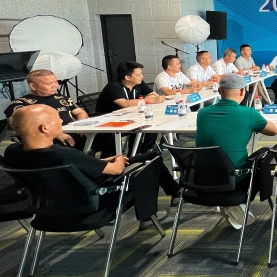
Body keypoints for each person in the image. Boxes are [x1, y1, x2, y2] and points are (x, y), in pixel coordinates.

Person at [5, 105, 182, 217]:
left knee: (148, 155)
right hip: (93, 199)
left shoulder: (11, 152)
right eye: (57, 118)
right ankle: (150, 215)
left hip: (45, 204)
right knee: (151, 162)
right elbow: (116, 170)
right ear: (45, 128)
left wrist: (101, 161)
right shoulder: (64, 154)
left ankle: (175, 191)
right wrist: (119, 160)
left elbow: (72, 167)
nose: (61, 120)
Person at [196, 74, 277, 229]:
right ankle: (235, 201)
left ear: (219, 91)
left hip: (200, 178)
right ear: (242, 91)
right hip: (235, 179)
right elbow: (273, 131)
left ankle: (228, 201)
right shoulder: (249, 113)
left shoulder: (202, 113)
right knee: (265, 158)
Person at [94, 61, 165, 157]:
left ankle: (145, 152)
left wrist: (149, 98)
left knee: (152, 122)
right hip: (108, 122)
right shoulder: (113, 87)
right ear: (127, 77)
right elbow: (125, 103)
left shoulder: (138, 83)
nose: (142, 76)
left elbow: (152, 94)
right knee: (140, 126)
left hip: (129, 118)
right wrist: (147, 100)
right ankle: (134, 155)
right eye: (138, 74)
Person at [4, 69, 89, 148]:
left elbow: (81, 113)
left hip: (75, 134)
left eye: (56, 82)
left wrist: (80, 126)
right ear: (33, 86)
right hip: (49, 142)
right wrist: (57, 134)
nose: (55, 86)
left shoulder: (61, 98)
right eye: (49, 84)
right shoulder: (21, 104)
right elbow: (22, 128)